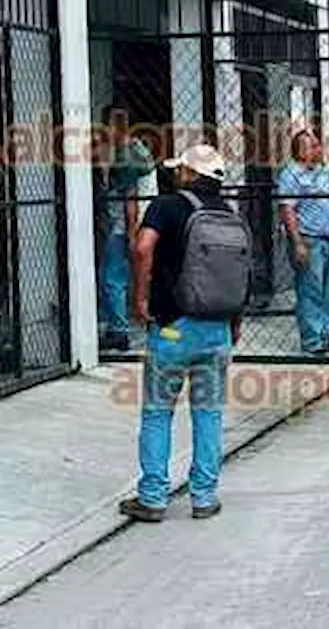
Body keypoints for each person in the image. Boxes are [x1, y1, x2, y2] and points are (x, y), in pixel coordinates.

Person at [118, 144, 245, 522]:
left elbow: (142, 248)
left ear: (188, 173)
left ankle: (153, 498)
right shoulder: (229, 213)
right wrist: (234, 323)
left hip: (173, 327)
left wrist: (139, 299)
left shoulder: (166, 206)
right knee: (208, 413)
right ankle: (204, 497)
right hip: (218, 327)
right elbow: (238, 274)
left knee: (158, 412)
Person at [95, 105, 153, 352]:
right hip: (138, 222)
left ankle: (118, 330)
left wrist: (131, 234)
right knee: (119, 275)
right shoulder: (137, 149)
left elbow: (131, 198)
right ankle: (115, 325)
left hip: (125, 225)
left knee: (111, 277)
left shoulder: (125, 156)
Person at [277, 129, 329, 355]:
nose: (317, 149)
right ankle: (313, 341)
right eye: (311, 146)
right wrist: (297, 242)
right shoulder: (291, 175)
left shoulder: (323, 172)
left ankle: (328, 335)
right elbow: (287, 209)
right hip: (309, 238)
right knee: (310, 291)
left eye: (317, 145)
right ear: (299, 151)